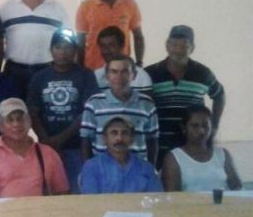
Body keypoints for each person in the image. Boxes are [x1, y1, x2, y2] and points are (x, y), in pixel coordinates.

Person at [27, 28, 98, 193]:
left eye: (68, 47)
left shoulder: (86, 75)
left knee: (77, 193)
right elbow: (33, 112)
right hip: (45, 147)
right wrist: (47, 141)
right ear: (51, 50)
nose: (63, 52)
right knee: (47, 195)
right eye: (58, 47)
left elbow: (87, 112)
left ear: (75, 50)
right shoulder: (39, 77)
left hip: (77, 147)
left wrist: (59, 140)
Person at [146, 25, 225, 167]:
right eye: (174, 44)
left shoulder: (203, 73)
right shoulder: (151, 74)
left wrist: (214, 126)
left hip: (193, 147)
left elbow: (219, 95)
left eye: (184, 45)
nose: (178, 50)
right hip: (160, 145)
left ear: (192, 48)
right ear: (167, 46)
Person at [0, 0, 71, 99]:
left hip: (48, 70)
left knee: (44, 113)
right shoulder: (7, 8)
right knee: (15, 113)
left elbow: (68, 42)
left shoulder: (58, 9)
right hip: (14, 72)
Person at [0, 98, 68, 198]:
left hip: (40, 212)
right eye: (10, 120)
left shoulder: (48, 153)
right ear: (0, 126)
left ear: (29, 122)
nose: (16, 124)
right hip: (4, 212)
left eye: (20, 119)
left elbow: (63, 194)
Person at [81, 55, 159, 165]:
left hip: (137, 170)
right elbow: (86, 140)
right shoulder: (94, 102)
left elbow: (152, 140)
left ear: (134, 75)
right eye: (114, 71)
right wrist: (88, 169)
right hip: (103, 170)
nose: (119, 76)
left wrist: (151, 168)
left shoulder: (147, 103)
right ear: (107, 76)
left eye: (125, 71)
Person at [76, 0, 145, 70]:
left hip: (122, 69)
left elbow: (138, 36)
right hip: (93, 68)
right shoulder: (85, 6)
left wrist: (139, 63)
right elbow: (80, 43)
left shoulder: (129, 3)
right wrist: (79, 69)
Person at [161, 105, 241, 192]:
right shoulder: (173, 158)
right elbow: (172, 197)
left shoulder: (222, 154)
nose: (202, 131)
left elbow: (237, 188)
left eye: (205, 125)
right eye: (195, 126)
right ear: (184, 128)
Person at [80, 116, 163, 194]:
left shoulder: (146, 167)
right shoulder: (92, 167)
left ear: (132, 139)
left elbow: (156, 200)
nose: (119, 138)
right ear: (105, 139)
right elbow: (91, 201)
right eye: (114, 133)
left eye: (125, 133)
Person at [93, 26, 152, 93]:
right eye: (103, 46)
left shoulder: (141, 77)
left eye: (111, 45)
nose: (106, 50)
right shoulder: (96, 76)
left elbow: (146, 102)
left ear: (122, 45)